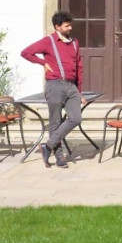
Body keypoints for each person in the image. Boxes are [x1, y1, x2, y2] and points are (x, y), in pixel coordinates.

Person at [22, 12, 84, 168]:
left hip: (71, 86)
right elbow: (26, 52)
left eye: (70, 25)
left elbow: (79, 67)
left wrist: (79, 91)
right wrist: (43, 62)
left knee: (76, 118)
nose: (70, 28)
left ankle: (47, 146)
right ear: (57, 26)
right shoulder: (48, 41)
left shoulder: (74, 43)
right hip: (54, 85)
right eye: (67, 26)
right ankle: (59, 157)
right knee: (55, 121)